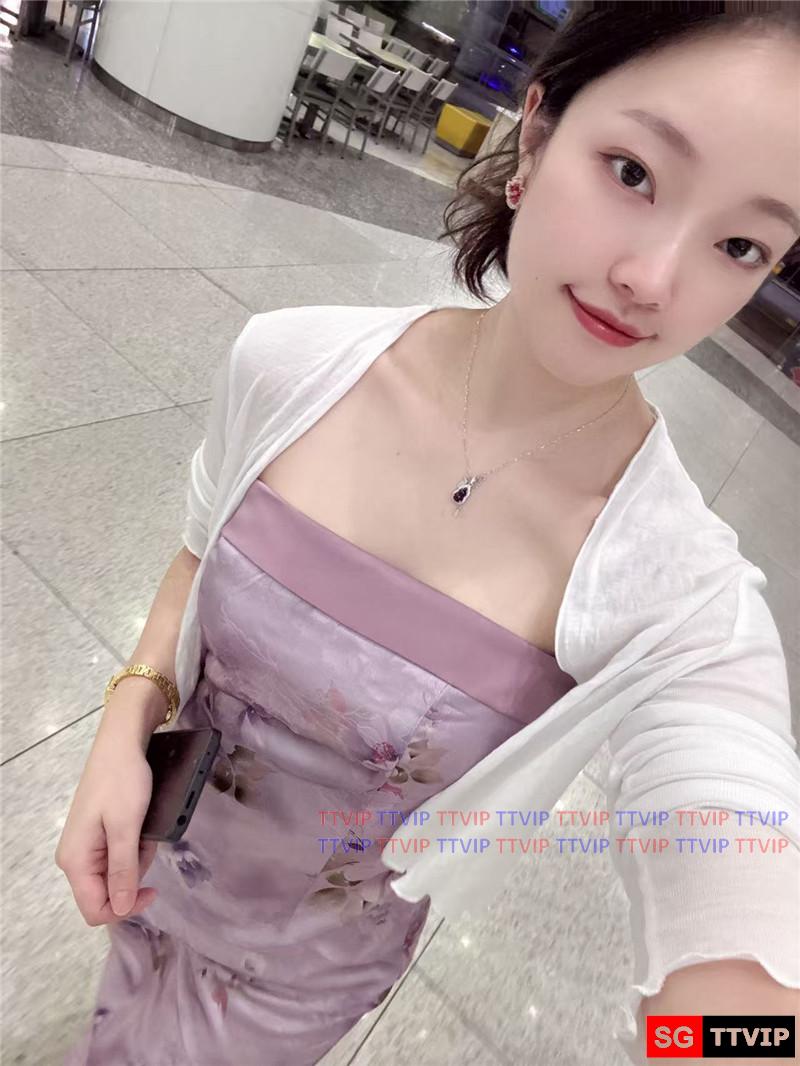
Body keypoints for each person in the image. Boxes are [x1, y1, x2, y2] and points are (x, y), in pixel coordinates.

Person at [56, 2, 800, 1064]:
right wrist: (123, 718)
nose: (652, 281)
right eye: (633, 172)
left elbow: (731, 830)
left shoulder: (677, 591)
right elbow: (196, 547)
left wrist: (730, 1035)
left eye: (738, 244)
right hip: (151, 855)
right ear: (536, 134)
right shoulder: (289, 365)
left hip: (302, 978)